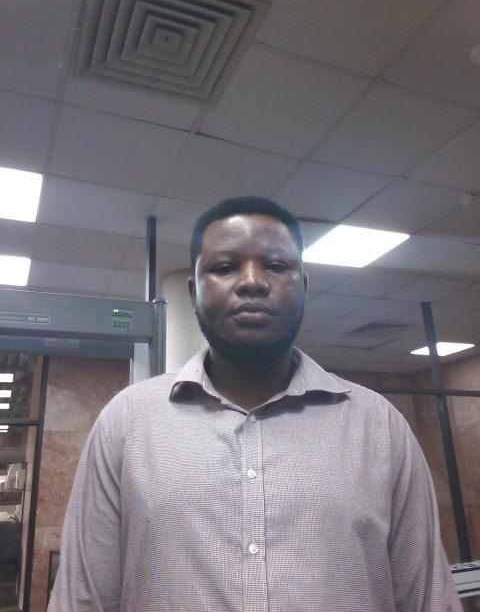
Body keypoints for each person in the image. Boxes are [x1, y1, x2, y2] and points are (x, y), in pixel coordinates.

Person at [48, 196, 461, 611]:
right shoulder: (127, 424)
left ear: (304, 287)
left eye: (276, 266)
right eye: (225, 267)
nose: (252, 281)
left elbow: (428, 598)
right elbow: (82, 599)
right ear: (193, 292)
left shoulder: (379, 427)